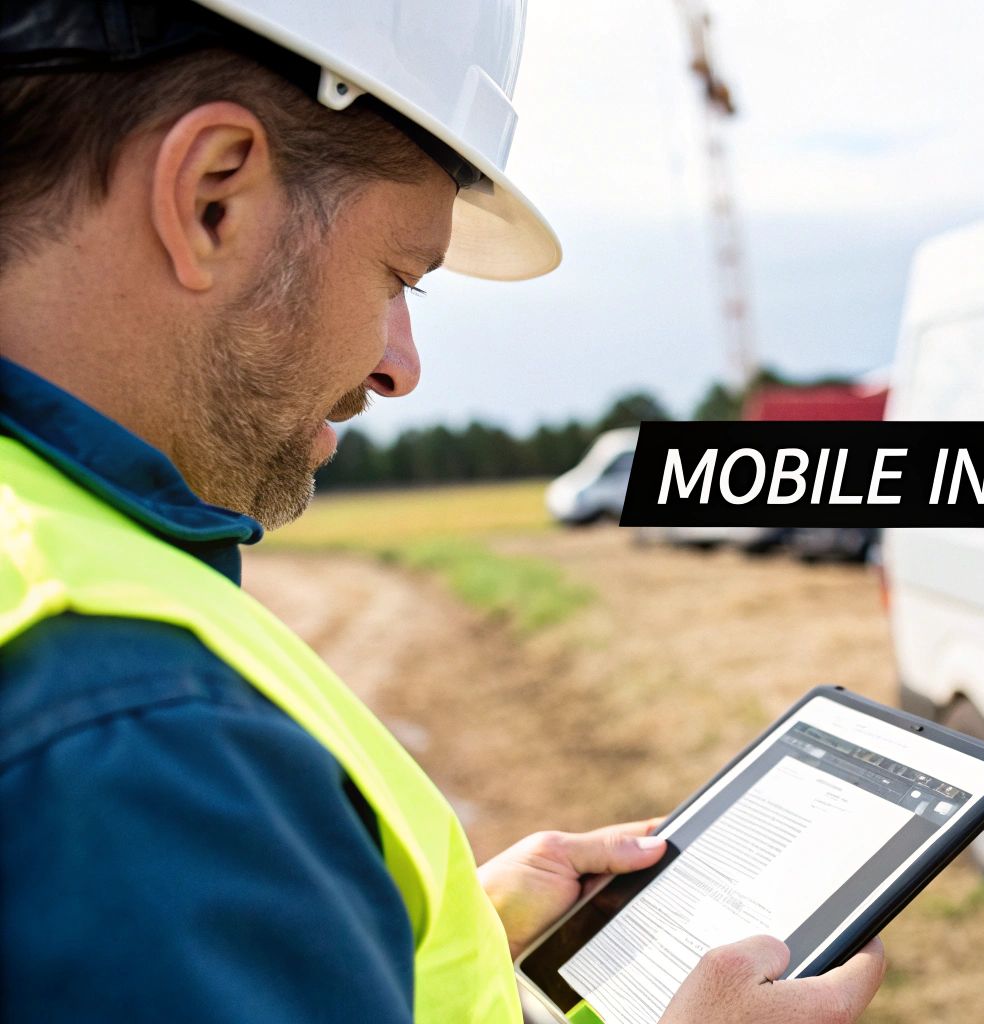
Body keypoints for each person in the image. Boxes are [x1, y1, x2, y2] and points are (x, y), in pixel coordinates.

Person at [0, 2, 885, 1021]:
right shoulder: (135, 729)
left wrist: (395, 920)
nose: (399, 366)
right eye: (398, 275)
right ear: (213, 199)